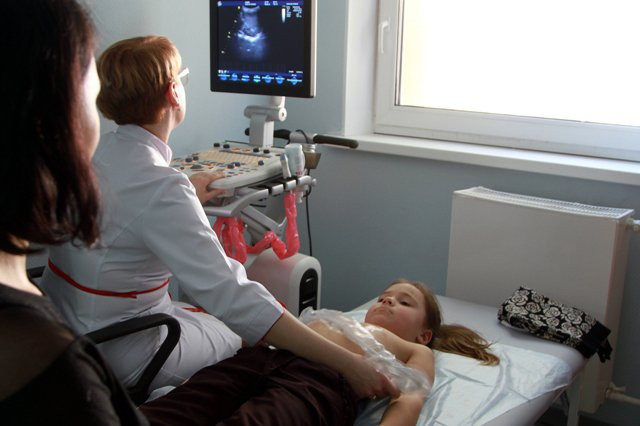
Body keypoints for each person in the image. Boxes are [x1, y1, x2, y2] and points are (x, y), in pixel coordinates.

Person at [37, 34, 397, 398]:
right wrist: (348, 364)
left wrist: (187, 192)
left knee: (209, 318)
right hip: (122, 349)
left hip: (65, 326)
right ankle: (174, 402)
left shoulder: (95, 155)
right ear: (173, 92)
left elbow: (126, 213)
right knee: (244, 337)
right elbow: (233, 295)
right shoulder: (162, 187)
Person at [139, 279, 500, 426]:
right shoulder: (339, 316)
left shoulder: (413, 349)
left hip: (320, 382)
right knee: (180, 407)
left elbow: (411, 398)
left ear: (425, 333)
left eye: (404, 302)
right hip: (266, 358)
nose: (388, 301)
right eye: (384, 296)